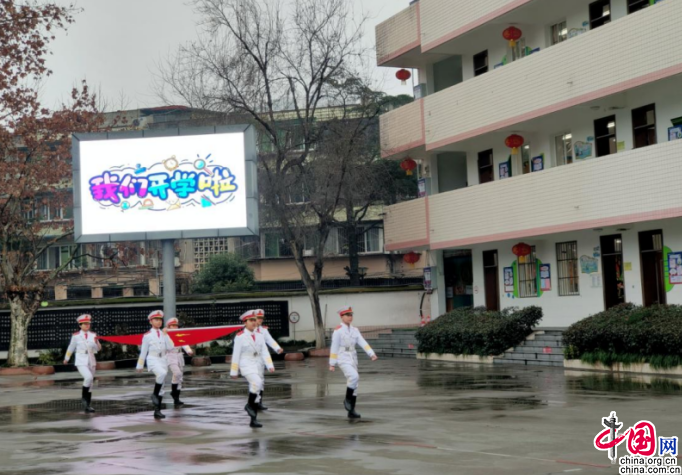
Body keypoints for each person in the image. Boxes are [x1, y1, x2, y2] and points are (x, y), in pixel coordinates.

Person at [329, 306, 378, 419]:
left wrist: (371, 353)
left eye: (351, 315)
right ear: (342, 317)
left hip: (353, 357)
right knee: (354, 376)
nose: (350, 317)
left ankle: (351, 411)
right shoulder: (338, 331)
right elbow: (334, 347)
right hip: (342, 357)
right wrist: (332, 363)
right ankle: (347, 400)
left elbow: (362, 342)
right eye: (347, 315)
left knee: (354, 384)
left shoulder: (355, 330)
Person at [230, 310, 274, 428]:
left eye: (255, 320)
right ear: (245, 322)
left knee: (257, 389)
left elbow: (264, 351)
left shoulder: (259, 335)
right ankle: (249, 405)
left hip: (258, 364)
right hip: (246, 364)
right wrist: (234, 371)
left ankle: (253, 420)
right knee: (257, 383)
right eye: (251, 320)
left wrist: (270, 365)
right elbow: (236, 354)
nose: (254, 322)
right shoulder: (240, 336)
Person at [136, 310, 174, 419]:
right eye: (156, 320)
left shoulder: (164, 333)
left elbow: (171, 347)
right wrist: (140, 365)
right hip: (153, 359)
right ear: (151, 321)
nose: (159, 322)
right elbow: (143, 351)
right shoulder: (147, 336)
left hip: (163, 360)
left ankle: (157, 411)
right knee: (161, 374)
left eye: (160, 320)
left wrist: (166, 335)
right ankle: (154, 394)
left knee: (162, 386)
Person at [64, 314, 101, 413]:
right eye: (85, 324)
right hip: (81, 360)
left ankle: (88, 405)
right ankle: (84, 400)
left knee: (90, 382)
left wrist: (97, 342)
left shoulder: (93, 335)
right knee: (88, 377)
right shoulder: (76, 336)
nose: (87, 325)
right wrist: (66, 358)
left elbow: (98, 349)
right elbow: (71, 347)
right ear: (80, 325)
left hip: (91, 360)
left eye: (88, 323)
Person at [254, 308, 283, 411]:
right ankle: (254, 402)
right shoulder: (248, 330)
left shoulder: (263, 330)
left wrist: (277, 348)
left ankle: (258, 402)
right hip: (251, 359)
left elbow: (270, 340)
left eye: (261, 318)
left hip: (260, 359)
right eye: (258, 318)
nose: (260, 320)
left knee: (261, 380)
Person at [165, 317, 193, 407]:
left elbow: (184, 343)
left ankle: (176, 398)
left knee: (179, 378)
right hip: (170, 356)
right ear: (169, 326)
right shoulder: (165, 335)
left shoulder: (179, 334)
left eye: (176, 325)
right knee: (177, 373)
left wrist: (188, 350)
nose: (175, 327)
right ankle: (173, 392)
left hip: (179, 355)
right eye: (173, 325)